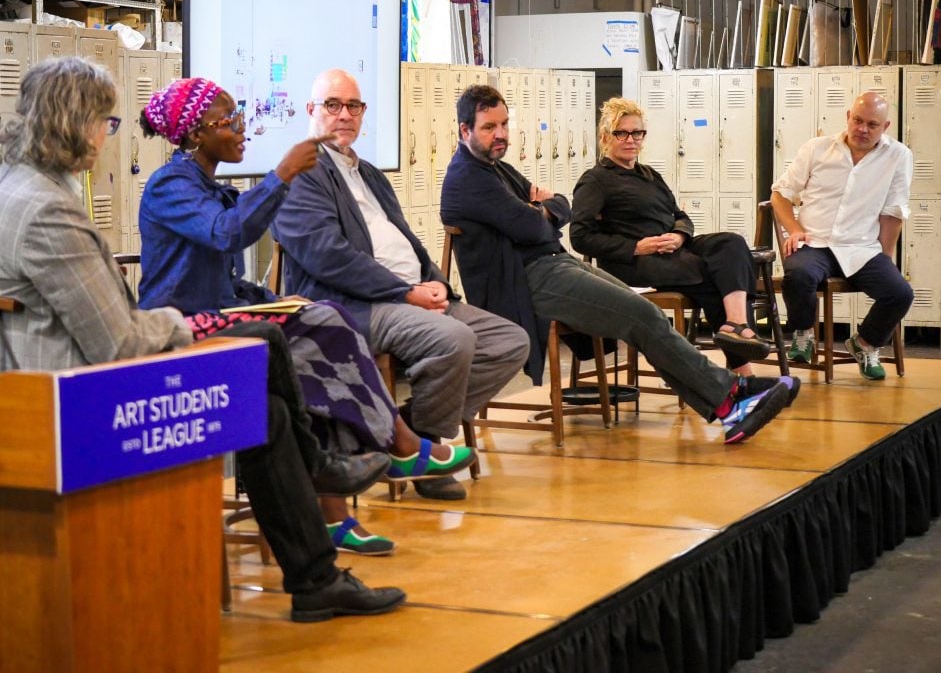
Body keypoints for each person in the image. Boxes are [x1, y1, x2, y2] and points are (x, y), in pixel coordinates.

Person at [0, 56, 404, 622]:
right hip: (78, 397)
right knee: (263, 349)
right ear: (74, 124)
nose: (108, 136)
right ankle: (318, 532)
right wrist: (184, 323)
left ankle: (316, 573)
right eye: (105, 122)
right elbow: (118, 345)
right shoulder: (50, 210)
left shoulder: (12, 186)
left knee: (266, 404)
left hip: (60, 371)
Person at [137, 77, 475, 551]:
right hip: (179, 326)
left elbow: (219, 271)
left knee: (320, 329)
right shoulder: (170, 185)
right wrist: (282, 175)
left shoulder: (205, 185)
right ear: (197, 134)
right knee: (315, 345)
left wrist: (271, 299)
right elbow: (225, 235)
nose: (241, 130)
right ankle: (394, 449)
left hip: (218, 312)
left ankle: (342, 508)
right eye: (230, 121)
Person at [441, 84, 799, 445]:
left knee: (646, 313)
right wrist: (542, 211)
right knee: (641, 316)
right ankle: (732, 398)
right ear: (465, 130)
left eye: (504, 124)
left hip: (551, 262)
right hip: (525, 280)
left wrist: (545, 209)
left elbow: (557, 207)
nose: (500, 134)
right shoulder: (469, 179)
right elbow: (536, 224)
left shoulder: (495, 168)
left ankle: (731, 397)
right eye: (489, 127)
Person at [272, 69, 530, 500]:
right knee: (453, 338)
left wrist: (435, 282)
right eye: (333, 105)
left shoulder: (368, 172)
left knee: (510, 341)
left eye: (354, 106)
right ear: (310, 111)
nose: (345, 115)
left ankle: (409, 435)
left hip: (410, 293)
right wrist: (404, 292)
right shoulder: (301, 173)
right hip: (351, 304)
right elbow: (327, 255)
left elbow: (404, 238)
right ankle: (420, 452)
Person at [571, 97, 770, 375]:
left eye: (637, 132)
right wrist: (635, 247)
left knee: (731, 244)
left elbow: (680, 215)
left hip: (674, 248)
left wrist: (679, 235)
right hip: (635, 262)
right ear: (606, 137)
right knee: (711, 274)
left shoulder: (650, 174)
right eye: (622, 133)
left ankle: (736, 325)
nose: (631, 139)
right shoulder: (596, 180)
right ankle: (743, 371)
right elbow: (580, 236)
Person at [772, 91, 914, 380]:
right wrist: (795, 230)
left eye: (872, 125)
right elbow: (780, 195)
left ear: (885, 127)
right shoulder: (816, 148)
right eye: (858, 120)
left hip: (861, 247)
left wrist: (885, 257)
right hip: (815, 242)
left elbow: (893, 212)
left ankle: (865, 343)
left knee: (900, 293)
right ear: (848, 117)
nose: (862, 129)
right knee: (798, 275)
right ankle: (803, 333)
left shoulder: (898, 156)